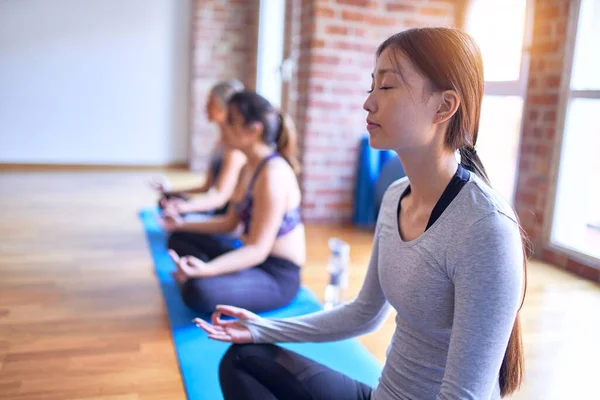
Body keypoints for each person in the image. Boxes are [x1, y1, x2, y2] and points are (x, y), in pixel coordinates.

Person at [195, 27, 528, 400]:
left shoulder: (486, 228)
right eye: (372, 86)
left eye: (386, 87)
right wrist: (262, 329)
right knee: (243, 358)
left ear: (444, 106)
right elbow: (364, 313)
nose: (368, 103)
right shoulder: (395, 196)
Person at [160, 91, 305, 315]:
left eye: (230, 121)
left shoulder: (273, 175)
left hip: (275, 275)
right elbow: (230, 224)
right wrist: (180, 223)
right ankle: (208, 271)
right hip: (250, 257)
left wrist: (207, 270)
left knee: (197, 292)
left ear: (253, 130)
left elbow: (258, 250)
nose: (222, 126)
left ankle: (205, 273)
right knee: (179, 237)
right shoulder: (250, 166)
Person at [150, 79, 246, 216]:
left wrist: (185, 207)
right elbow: (206, 187)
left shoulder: (234, 151)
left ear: (224, 108)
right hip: (213, 205)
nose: (205, 107)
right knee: (167, 200)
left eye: (210, 103)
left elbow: (220, 196)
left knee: (177, 233)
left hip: (224, 216)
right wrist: (170, 189)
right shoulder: (220, 143)